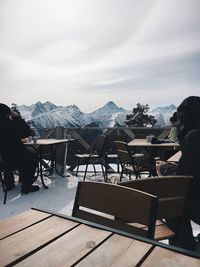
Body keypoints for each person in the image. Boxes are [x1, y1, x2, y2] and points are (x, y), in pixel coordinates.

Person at [165, 96, 200, 251]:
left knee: (172, 202)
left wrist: (165, 169)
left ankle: (184, 253)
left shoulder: (194, 137)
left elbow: (182, 181)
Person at [0, 103, 39, 194]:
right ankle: (26, 186)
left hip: (2, 161)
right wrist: (17, 118)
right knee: (32, 156)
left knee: (8, 157)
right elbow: (26, 132)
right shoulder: (6, 123)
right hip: (14, 159)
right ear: (6, 114)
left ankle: (9, 184)